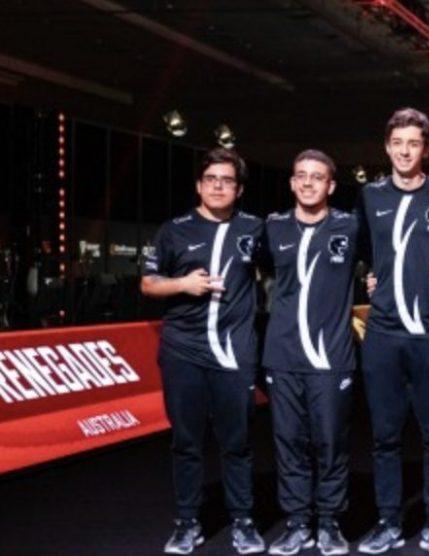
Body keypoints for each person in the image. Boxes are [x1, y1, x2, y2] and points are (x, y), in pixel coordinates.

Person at [140, 147, 266, 555]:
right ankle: (187, 523)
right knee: (186, 441)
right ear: (199, 185)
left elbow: (284, 269)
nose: (218, 187)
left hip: (233, 353)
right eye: (211, 179)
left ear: (239, 189)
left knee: (237, 442)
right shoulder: (173, 230)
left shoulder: (255, 228)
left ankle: (243, 521)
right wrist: (183, 284)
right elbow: (147, 284)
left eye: (227, 181)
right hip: (183, 352)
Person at [354, 108, 429, 556]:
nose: (404, 151)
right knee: (385, 436)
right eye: (397, 143)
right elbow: (360, 249)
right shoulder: (369, 195)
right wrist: (369, 276)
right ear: (386, 147)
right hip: (383, 332)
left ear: (426, 149)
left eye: (413, 143)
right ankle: (389, 522)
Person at [261, 150, 358, 556]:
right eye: (300, 175)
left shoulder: (350, 226)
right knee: (289, 444)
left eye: (317, 177)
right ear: (291, 182)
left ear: (330, 185)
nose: (307, 182)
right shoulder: (272, 227)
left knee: (331, 443)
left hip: (331, 358)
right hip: (282, 356)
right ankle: (298, 523)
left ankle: (330, 523)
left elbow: (393, 257)